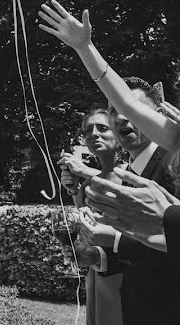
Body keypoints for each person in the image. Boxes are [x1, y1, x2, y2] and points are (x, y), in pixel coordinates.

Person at [58, 78, 174, 324]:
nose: (122, 117)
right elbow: (141, 253)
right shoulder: (132, 172)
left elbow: (173, 244)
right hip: (135, 306)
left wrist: (116, 240)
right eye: (115, 111)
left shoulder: (173, 166)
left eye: (131, 108)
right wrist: (97, 257)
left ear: (157, 115)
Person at [39, 0, 180, 153]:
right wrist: (84, 47)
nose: (121, 118)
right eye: (113, 112)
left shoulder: (167, 161)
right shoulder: (176, 141)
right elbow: (127, 106)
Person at [57, 108, 123, 325]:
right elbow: (85, 220)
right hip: (96, 270)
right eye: (88, 130)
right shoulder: (88, 183)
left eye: (102, 128)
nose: (94, 133)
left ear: (118, 133)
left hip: (123, 271)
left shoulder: (131, 173)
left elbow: (120, 186)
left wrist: (84, 170)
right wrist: (75, 189)